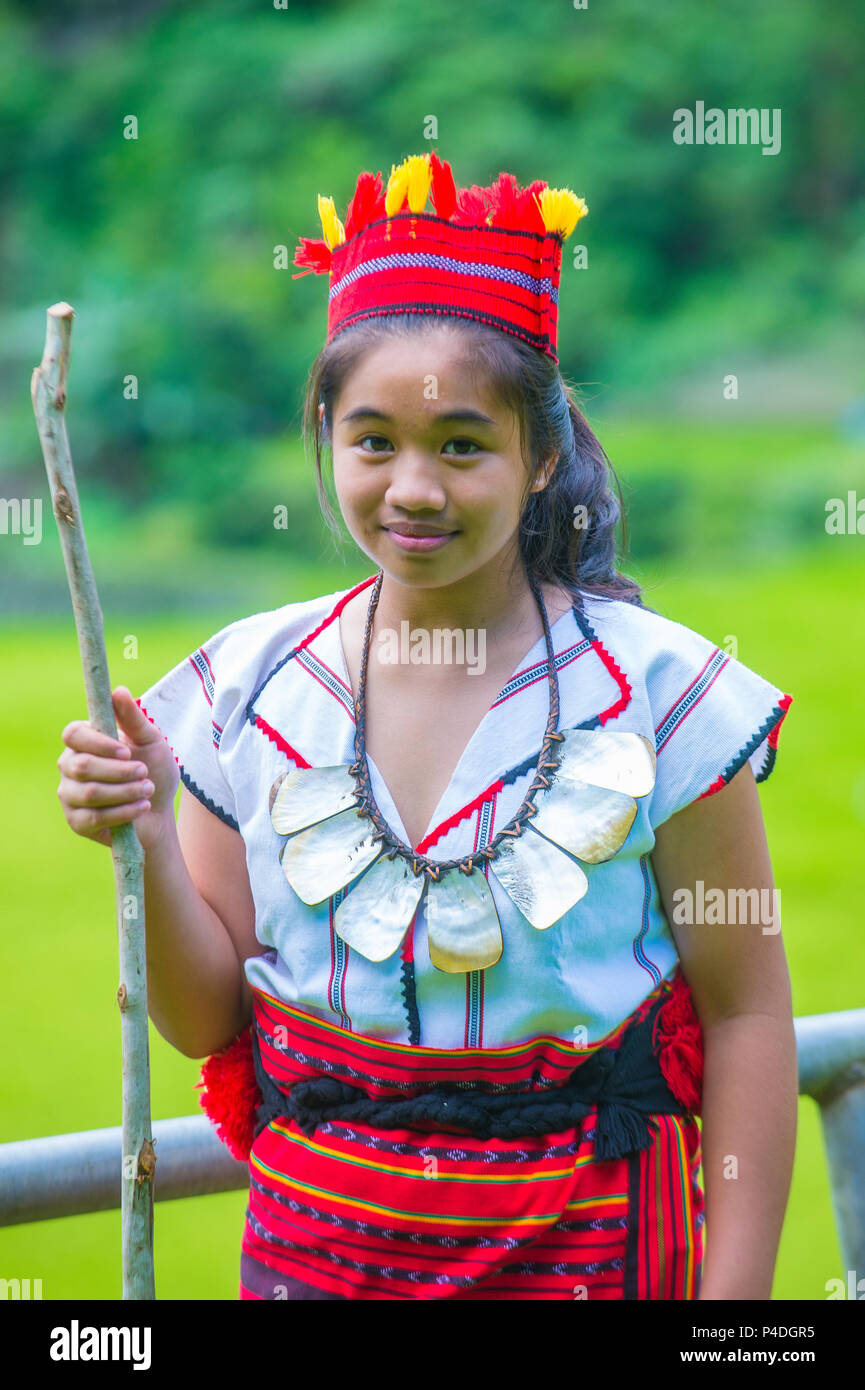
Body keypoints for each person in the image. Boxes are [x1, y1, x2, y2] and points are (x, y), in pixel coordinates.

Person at [56, 151, 797, 1301]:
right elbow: (208, 1021)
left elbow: (745, 1010)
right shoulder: (243, 691)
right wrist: (145, 835)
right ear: (328, 438)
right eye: (371, 441)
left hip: (589, 1247)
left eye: (461, 443)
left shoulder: (663, 692)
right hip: (322, 1250)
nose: (412, 488)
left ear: (540, 457)